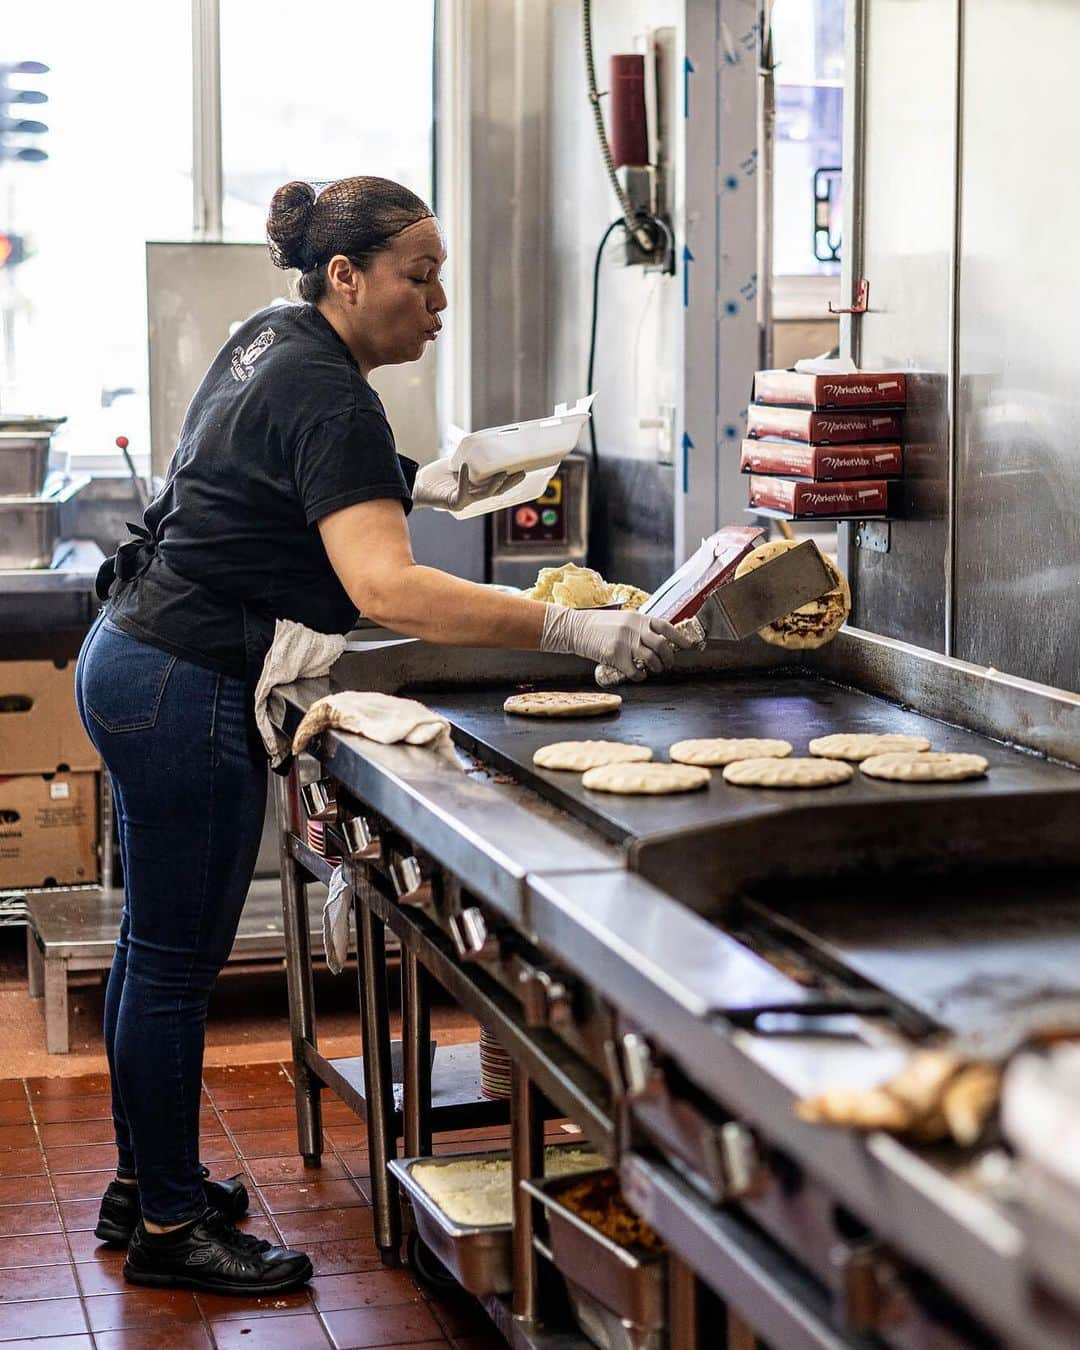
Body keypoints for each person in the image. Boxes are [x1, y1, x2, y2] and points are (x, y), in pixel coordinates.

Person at [74, 175, 690, 1296]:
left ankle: (141, 1182)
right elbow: (390, 588)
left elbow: (273, 476)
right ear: (347, 277)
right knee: (172, 966)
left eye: (442, 275)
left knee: (147, 956)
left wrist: (430, 479)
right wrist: (575, 627)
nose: (439, 300)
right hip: (185, 683)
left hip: (132, 656)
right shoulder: (336, 395)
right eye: (421, 275)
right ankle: (167, 1225)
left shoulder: (273, 337)